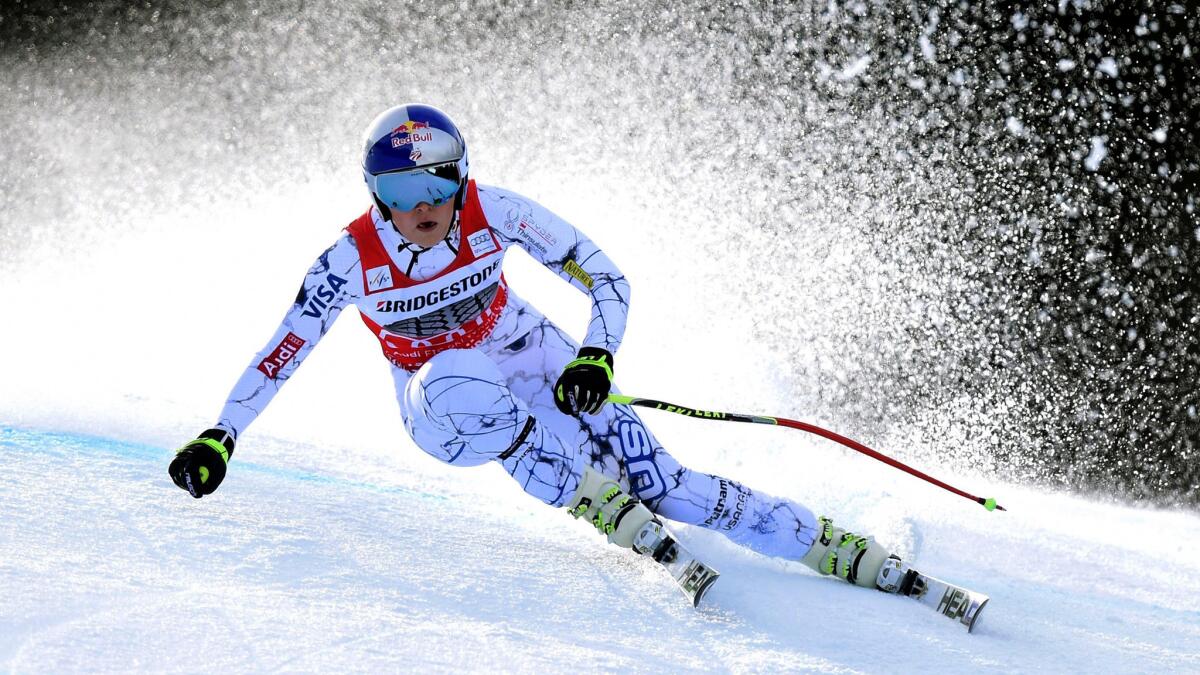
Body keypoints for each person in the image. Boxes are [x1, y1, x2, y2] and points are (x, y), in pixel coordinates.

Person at [168, 103, 903, 594]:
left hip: (526, 348)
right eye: (400, 190)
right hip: (441, 410)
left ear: (464, 176)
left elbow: (607, 277)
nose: (422, 206)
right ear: (373, 193)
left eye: (438, 181)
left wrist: (596, 355)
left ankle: (826, 545)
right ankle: (588, 496)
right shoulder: (348, 260)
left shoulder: (498, 211)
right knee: (455, 370)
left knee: (667, 483)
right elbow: (283, 350)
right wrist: (222, 435)